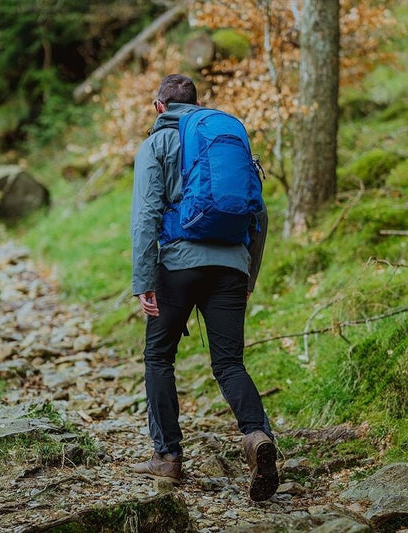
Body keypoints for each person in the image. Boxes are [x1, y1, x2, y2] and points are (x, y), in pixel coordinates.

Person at [130, 74, 279, 501]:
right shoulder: (223, 138)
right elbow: (260, 215)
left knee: (159, 357)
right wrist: (247, 275)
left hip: (177, 264)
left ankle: (168, 457)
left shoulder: (156, 145)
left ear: (159, 107)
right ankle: (256, 437)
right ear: (196, 104)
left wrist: (144, 281)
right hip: (231, 265)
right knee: (229, 363)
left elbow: (145, 216)